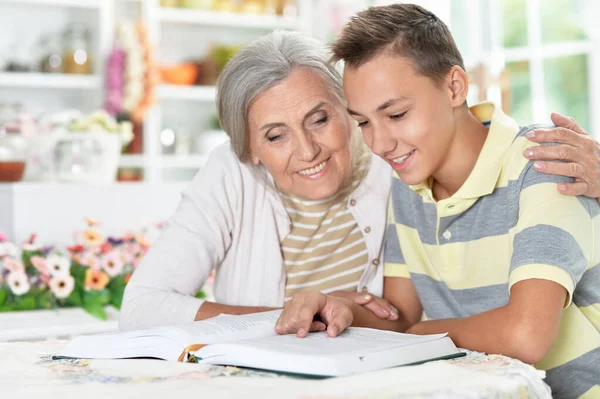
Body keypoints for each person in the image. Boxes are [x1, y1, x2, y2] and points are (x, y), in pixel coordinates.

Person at [120, 31, 600, 337]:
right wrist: (295, 315)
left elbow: (404, 318)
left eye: (320, 118)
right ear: (249, 149)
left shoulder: (396, 164)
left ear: (345, 112)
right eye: (274, 135)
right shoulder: (231, 173)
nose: (308, 151)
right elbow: (142, 307)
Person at [274, 5, 599, 399]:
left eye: (396, 114)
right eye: (363, 122)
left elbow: (526, 334)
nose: (379, 143)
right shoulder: (409, 183)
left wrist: (422, 335)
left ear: (454, 87)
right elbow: (401, 314)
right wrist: (337, 309)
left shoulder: (546, 163)